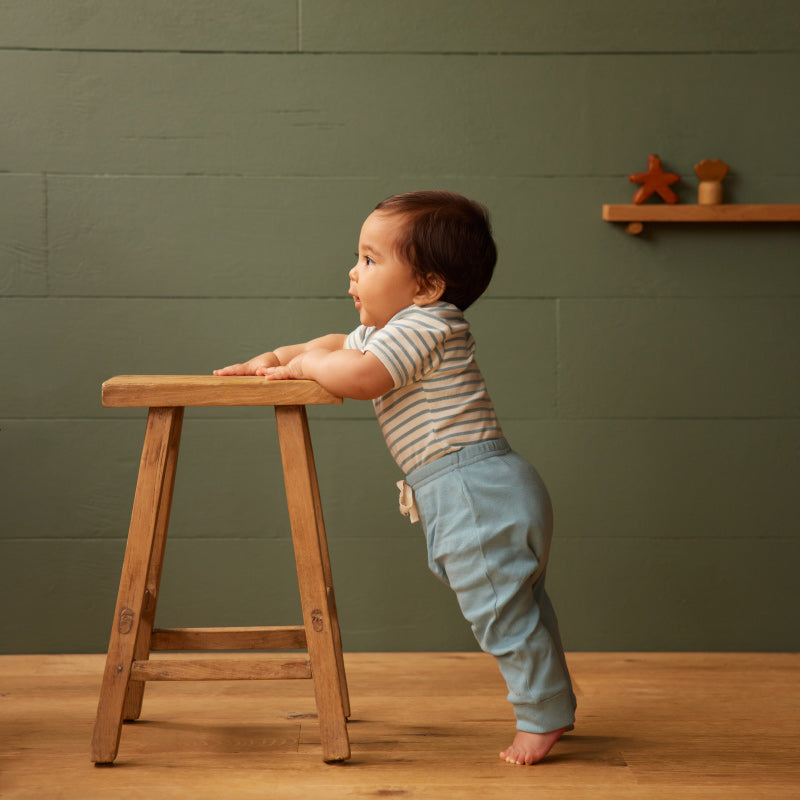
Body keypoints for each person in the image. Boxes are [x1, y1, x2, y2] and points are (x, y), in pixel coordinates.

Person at [214, 191, 577, 765]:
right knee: (521, 605)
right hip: (486, 486)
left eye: (369, 260)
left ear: (427, 286)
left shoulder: (427, 325)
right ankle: (551, 701)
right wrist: (275, 357)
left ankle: (541, 716)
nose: (353, 272)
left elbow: (358, 376)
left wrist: (306, 367)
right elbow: (332, 344)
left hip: (474, 490)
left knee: (501, 613)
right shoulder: (398, 329)